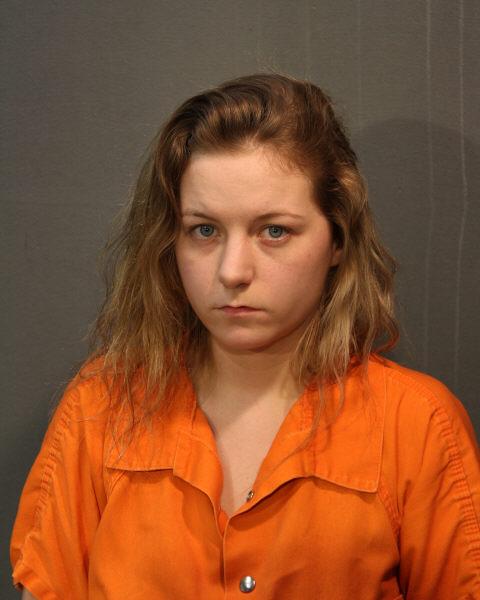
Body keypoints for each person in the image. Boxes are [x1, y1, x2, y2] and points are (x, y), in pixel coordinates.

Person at [10, 73, 480, 599]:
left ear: (338, 239)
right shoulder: (100, 408)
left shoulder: (418, 426)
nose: (232, 271)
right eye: (204, 230)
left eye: (274, 231)